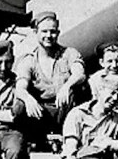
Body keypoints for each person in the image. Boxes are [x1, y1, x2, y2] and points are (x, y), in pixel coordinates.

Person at [14, 10, 86, 139]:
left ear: (58, 33)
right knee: (19, 104)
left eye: (52, 31)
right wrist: (28, 99)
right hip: (40, 111)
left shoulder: (69, 53)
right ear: (36, 33)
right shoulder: (28, 60)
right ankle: (32, 139)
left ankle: (69, 136)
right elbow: (20, 87)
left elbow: (80, 74)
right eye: (44, 31)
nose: (49, 35)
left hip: (64, 110)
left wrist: (66, 86)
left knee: (73, 92)